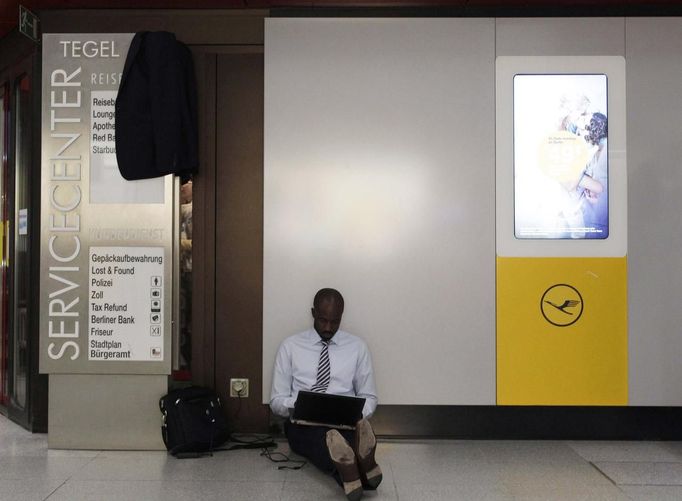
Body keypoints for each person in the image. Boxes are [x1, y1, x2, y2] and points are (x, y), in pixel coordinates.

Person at [270, 288, 380, 501]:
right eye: (323, 320)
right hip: (303, 423)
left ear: (342, 317)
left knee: (340, 439)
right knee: (322, 440)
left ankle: (350, 471)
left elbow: (369, 396)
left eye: (335, 321)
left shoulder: (357, 347)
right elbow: (276, 401)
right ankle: (366, 469)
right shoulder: (290, 346)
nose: (328, 328)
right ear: (313, 313)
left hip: (344, 423)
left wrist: (356, 414)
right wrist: (299, 405)